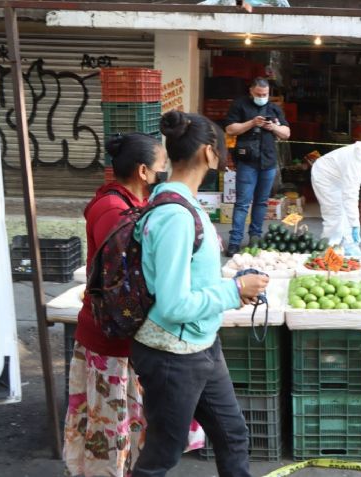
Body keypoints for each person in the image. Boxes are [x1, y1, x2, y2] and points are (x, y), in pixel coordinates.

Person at [130, 111, 269, 477]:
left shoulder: (184, 205)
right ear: (210, 153)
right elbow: (175, 304)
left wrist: (230, 284)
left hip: (201, 343)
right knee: (163, 453)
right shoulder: (175, 215)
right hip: (173, 353)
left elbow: (189, 277)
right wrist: (234, 290)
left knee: (232, 434)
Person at [63, 133, 172, 477]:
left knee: (120, 425)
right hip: (109, 340)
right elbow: (124, 280)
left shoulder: (128, 204)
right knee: (109, 431)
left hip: (121, 337)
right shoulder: (113, 209)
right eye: (161, 166)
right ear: (143, 171)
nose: (164, 171)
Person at [224, 77, 291, 257]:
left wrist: (273, 128)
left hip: (268, 162)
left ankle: (255, 237)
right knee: (242, 203)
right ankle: (235, 241)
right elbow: (230, 129)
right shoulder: (240, 105)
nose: (262, 97)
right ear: (251, 91)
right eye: (259, 94)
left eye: (266, 94)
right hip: (247, 162)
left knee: (261, 202)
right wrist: (252, 123)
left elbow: (286, 133)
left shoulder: (274, 109)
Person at [310, 142, 361, 256]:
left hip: (336, 178)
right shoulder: (357, 165)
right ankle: (328, 249)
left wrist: (353, 224)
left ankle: (347, 245)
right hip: (324, 176)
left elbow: (349, 198)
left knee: (343, 212)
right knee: (334, 214)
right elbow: (351, 197)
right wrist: (355, 225)